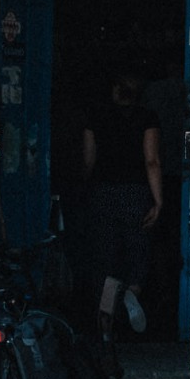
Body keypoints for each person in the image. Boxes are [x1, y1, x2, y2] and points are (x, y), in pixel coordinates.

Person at [82, 72, 163, 335]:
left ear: (114, 90)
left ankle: (105, 323)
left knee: (105, 258)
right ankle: (131, 292)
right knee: (136, 253)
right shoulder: (146, 118)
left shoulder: (96, 116)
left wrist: (87, 189)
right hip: (136, 193)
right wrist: (158, 201)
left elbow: (88, 160)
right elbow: (152, 161)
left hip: (104, 192)